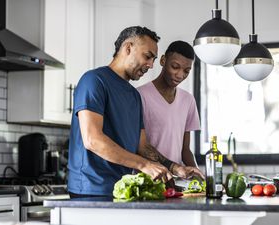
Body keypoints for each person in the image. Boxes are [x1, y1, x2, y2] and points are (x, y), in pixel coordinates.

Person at [67, 26, 203, 198]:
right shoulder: (94, 80)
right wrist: (144, 165)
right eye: (147, 56)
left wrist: (175, 167)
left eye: (153, 59)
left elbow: (143, 146)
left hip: (124, 190)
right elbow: (93, 140)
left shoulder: (134, 95)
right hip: (90, 190)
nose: (151, 65)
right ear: (128, 48)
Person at [137, 40, 203, 175]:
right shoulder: (139, 95)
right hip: (147, 179)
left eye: (186, 71)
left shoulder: (188, 100)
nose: (180, 75)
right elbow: (139, 146)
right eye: (175, 66)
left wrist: (199, 177)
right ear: (162, 60)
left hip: (176, 181)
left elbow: (185, 150)